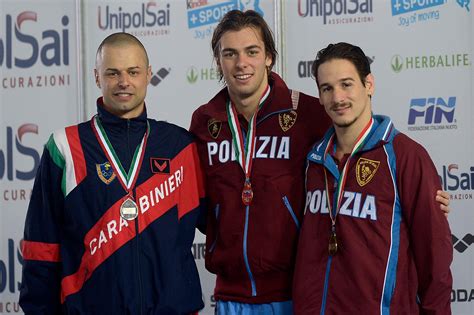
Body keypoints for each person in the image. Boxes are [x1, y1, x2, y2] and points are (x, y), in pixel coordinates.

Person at [190, 10, 451, 315]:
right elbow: (196, 202)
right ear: (218, 61)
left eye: (252, 51)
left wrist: (425, 201)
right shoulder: (205, 121)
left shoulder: (308, 114)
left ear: (269, 57)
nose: (241, 63)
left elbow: (358, 142)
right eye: (229, 53)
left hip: (291, 293)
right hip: (235, 293)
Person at [19, 32, 205, 314]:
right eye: (112, 73)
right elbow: (41, 248)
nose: (123, 82)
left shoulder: (179, 147)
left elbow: (217, 225)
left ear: (148, 75)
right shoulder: (65, 148)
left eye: (133, 72)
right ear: (97, 77)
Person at [292, 42, 453, 314]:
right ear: (319, 96)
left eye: (346, 84)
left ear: (369, 84)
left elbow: (434, 258)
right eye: (327, 88)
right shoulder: (313, 160)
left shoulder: (405, 156)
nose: (338, 97)